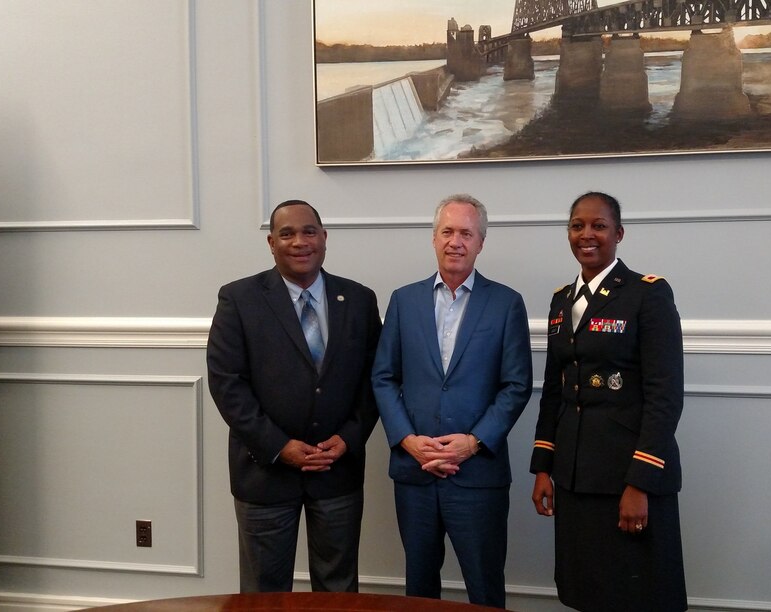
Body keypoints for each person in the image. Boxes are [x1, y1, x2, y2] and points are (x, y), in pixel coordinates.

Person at [207, 199, 381, 593]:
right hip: (265, 473)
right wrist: (279, 446)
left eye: (308, 231)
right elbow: (226, 383)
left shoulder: (358, 299)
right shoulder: (239, 299)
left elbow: (375, 380)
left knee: (338, 590)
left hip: (337, 471)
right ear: (271, 242)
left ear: (324, 238)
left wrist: (349, 439)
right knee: (264, 594)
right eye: (287, 233)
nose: (299, 241)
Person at [372, 194, 533, 608]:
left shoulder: (505, 303)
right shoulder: (403, 300)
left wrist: (473, 442)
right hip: (415, 472)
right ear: (433, 239)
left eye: (466, 233)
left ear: (481, 242)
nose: (455, 241)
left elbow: (516, 385)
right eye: (447, 232)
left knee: (484, 588)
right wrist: (407, 439)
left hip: (478, 476)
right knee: (419, 590)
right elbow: (384, 377)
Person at [530, 191, 687, 611]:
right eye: (577, 225)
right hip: (576, 477)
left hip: (627, 477)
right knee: (587, 591)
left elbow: (665, 396)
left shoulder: (646, 294)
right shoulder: (561, 301)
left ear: (618, 233)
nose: (587, 234)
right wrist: (544, 466)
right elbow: (555, 389)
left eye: (598, 225)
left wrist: (640, 484)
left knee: (636, 594)